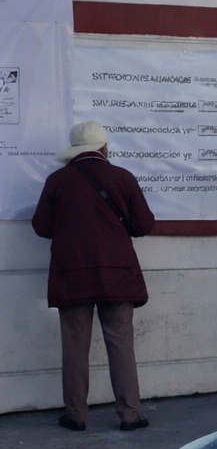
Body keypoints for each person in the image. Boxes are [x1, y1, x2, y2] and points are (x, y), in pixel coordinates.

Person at [31, 121, 156, 431]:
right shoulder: (122, 177)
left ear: (74, 151)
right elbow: (143, 224)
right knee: (121, 344)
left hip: (72, 272)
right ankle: (129, 415)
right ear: (104, 148)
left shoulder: (57, 181)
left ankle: (76, 416)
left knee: (74, 346)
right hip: (116, 274)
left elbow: (41, 227)